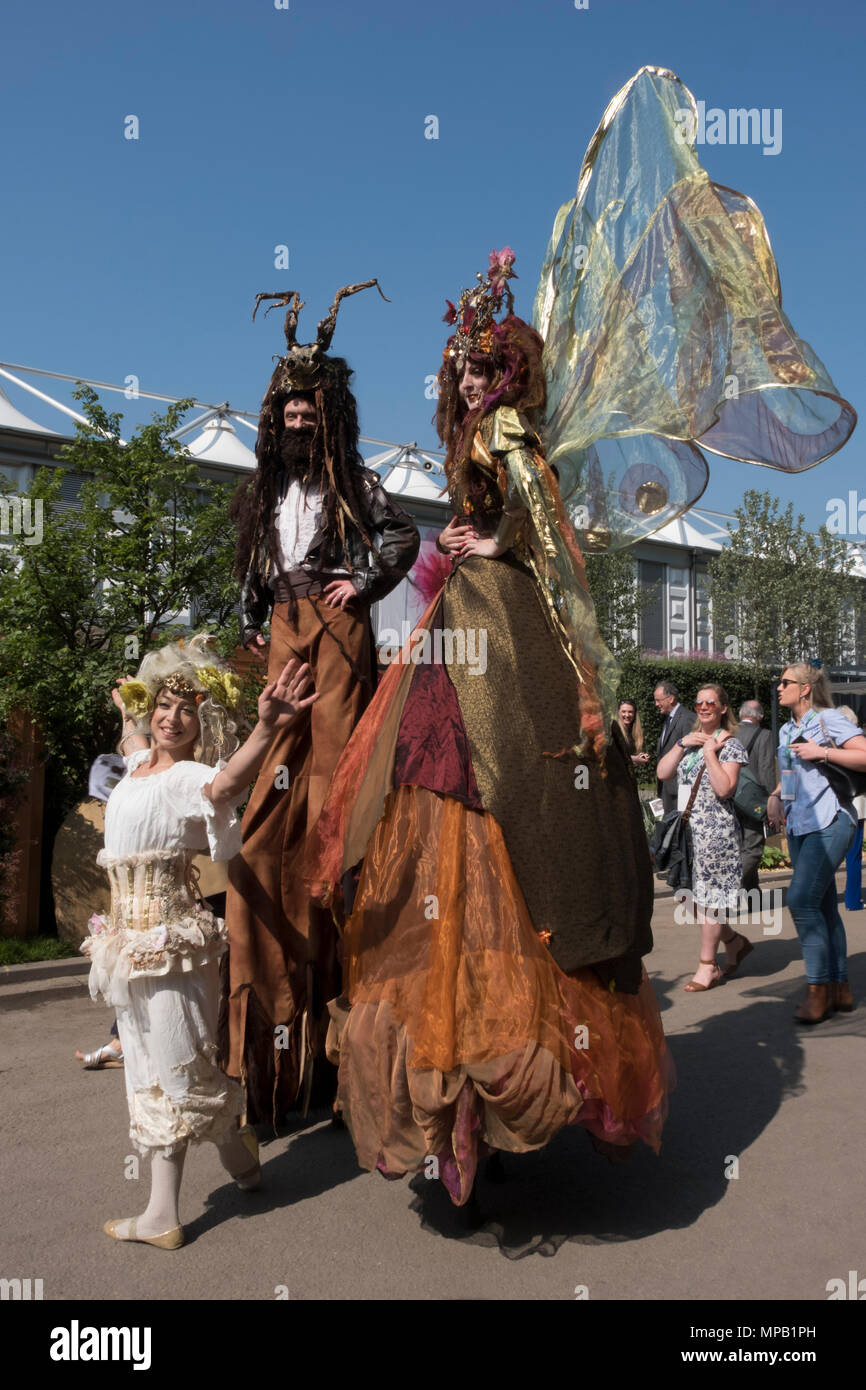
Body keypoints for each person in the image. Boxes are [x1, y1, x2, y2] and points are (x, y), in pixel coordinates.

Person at [307, 253, 673, 1209]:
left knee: (482, 798)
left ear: (508, 377)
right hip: (467, 631)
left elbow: (548, 523)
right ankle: (460, 1101)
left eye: (482, 368)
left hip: (494, 633)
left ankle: (475, 1103)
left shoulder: (507, 428)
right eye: (459, 371)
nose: (468, 382)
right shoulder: (486, 429)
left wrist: (494, 541)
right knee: (437, 810)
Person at [224, 285, 419, 1121]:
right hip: (282, 625)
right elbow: (251, 569)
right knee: (273, 786)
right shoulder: (265, 492)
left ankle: (348, 1051)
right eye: (289, 410)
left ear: (328, 415)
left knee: (337, 792)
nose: (299, 421)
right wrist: (257, 615)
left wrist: (362, 583)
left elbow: (403, 536)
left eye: (310, 410)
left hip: (338, 631)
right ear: (275, 419)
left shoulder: (353, 481)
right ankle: (272, 1044)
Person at [81, 634, 317, 1248]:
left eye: (187, 709)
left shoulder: (191, 777)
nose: (172, 717)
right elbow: (135, 739)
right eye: (164, 704)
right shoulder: (136, 768)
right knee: (151, 1066)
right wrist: (129, 709)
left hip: (173, 945)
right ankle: (242, 1160)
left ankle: (162, 1217)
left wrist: (266, 730)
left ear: (202, 722)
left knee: (174, 1069)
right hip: (126, 948)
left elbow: (227, 786)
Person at [767, 665, 866, 1023]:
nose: (779, 687)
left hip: (832, 820)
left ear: (805, 689)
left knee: (799, 900)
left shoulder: (828, 721)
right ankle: (841, 989)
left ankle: (817, 990)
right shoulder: (785, 730)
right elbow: (792, 773)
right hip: (799, 824)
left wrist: (823, 753)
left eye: (785, 682)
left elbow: (863, 754)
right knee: (823, 907)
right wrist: (778, 795)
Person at [656, 683, 753, 992]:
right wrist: (681, 744)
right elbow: (662, 773)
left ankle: (707, 966)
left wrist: (711, 752)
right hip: (687, 832)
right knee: (687, 897)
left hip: (715, 835)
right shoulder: (691, 743)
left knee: (709, 901)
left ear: (723, 708)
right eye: (699, 703)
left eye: (710, 702)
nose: (704, 707)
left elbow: (725, 789)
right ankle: (734, 942)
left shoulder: (731, 745)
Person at [734, 700, 777, 893]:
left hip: (730, 796)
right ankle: (730, 888)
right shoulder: (765, 735)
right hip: (753, 801)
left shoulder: (729, 732)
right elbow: (767, 770)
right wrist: (770, 800)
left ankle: (753, 894)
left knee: (739, 847)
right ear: (759, 716)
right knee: (753, 848)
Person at [836, 705, 866, 911]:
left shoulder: (827, 744)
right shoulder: (858, 745)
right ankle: (853, 900)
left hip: (831, 806)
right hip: (856, 805)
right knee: (853, 855)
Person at [654, 684, 695, 814]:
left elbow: (690, 754)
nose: (656, 704)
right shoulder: (669, 719)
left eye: (658, 700)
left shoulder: (687, 718)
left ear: (670, 699)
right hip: (667, 787)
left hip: (679, 790)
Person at [617, 698, 650, 770]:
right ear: (618, 712)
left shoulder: (634, 732)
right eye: (623, 711)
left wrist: (640, 757)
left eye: (630, 712)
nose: (627, 715)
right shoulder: (613, 730)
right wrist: (635, 759)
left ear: (634, 714)